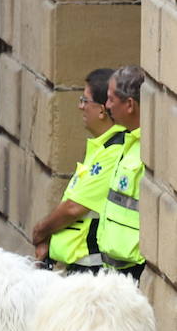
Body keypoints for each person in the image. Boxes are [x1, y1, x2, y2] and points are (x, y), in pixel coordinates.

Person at [30, 68, 126, 271]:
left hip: (93, 270)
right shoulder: (102, 146)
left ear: (101, 110)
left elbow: (74, 208)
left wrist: (41, 231)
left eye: (84, 100)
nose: (80, 106)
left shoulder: (113, 151)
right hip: (81, 267)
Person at [96, 65, 146, 277]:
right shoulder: (128, 140)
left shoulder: (147, 148)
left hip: (135, 270)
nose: (106, 106)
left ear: (130, 105)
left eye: (111, 99)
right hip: (114, 268)